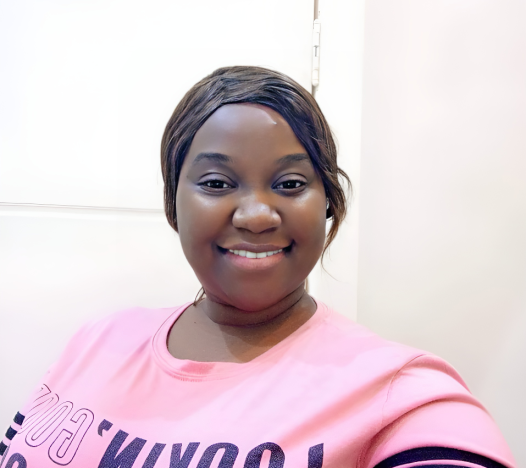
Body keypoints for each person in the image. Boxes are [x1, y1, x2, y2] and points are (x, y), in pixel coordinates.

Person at [0, 66, 516, 468]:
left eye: (290, 184)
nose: (256, 215)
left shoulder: (397, 393)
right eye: (216, 183)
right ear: (174, 203)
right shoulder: (97, 340)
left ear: (328, 202)